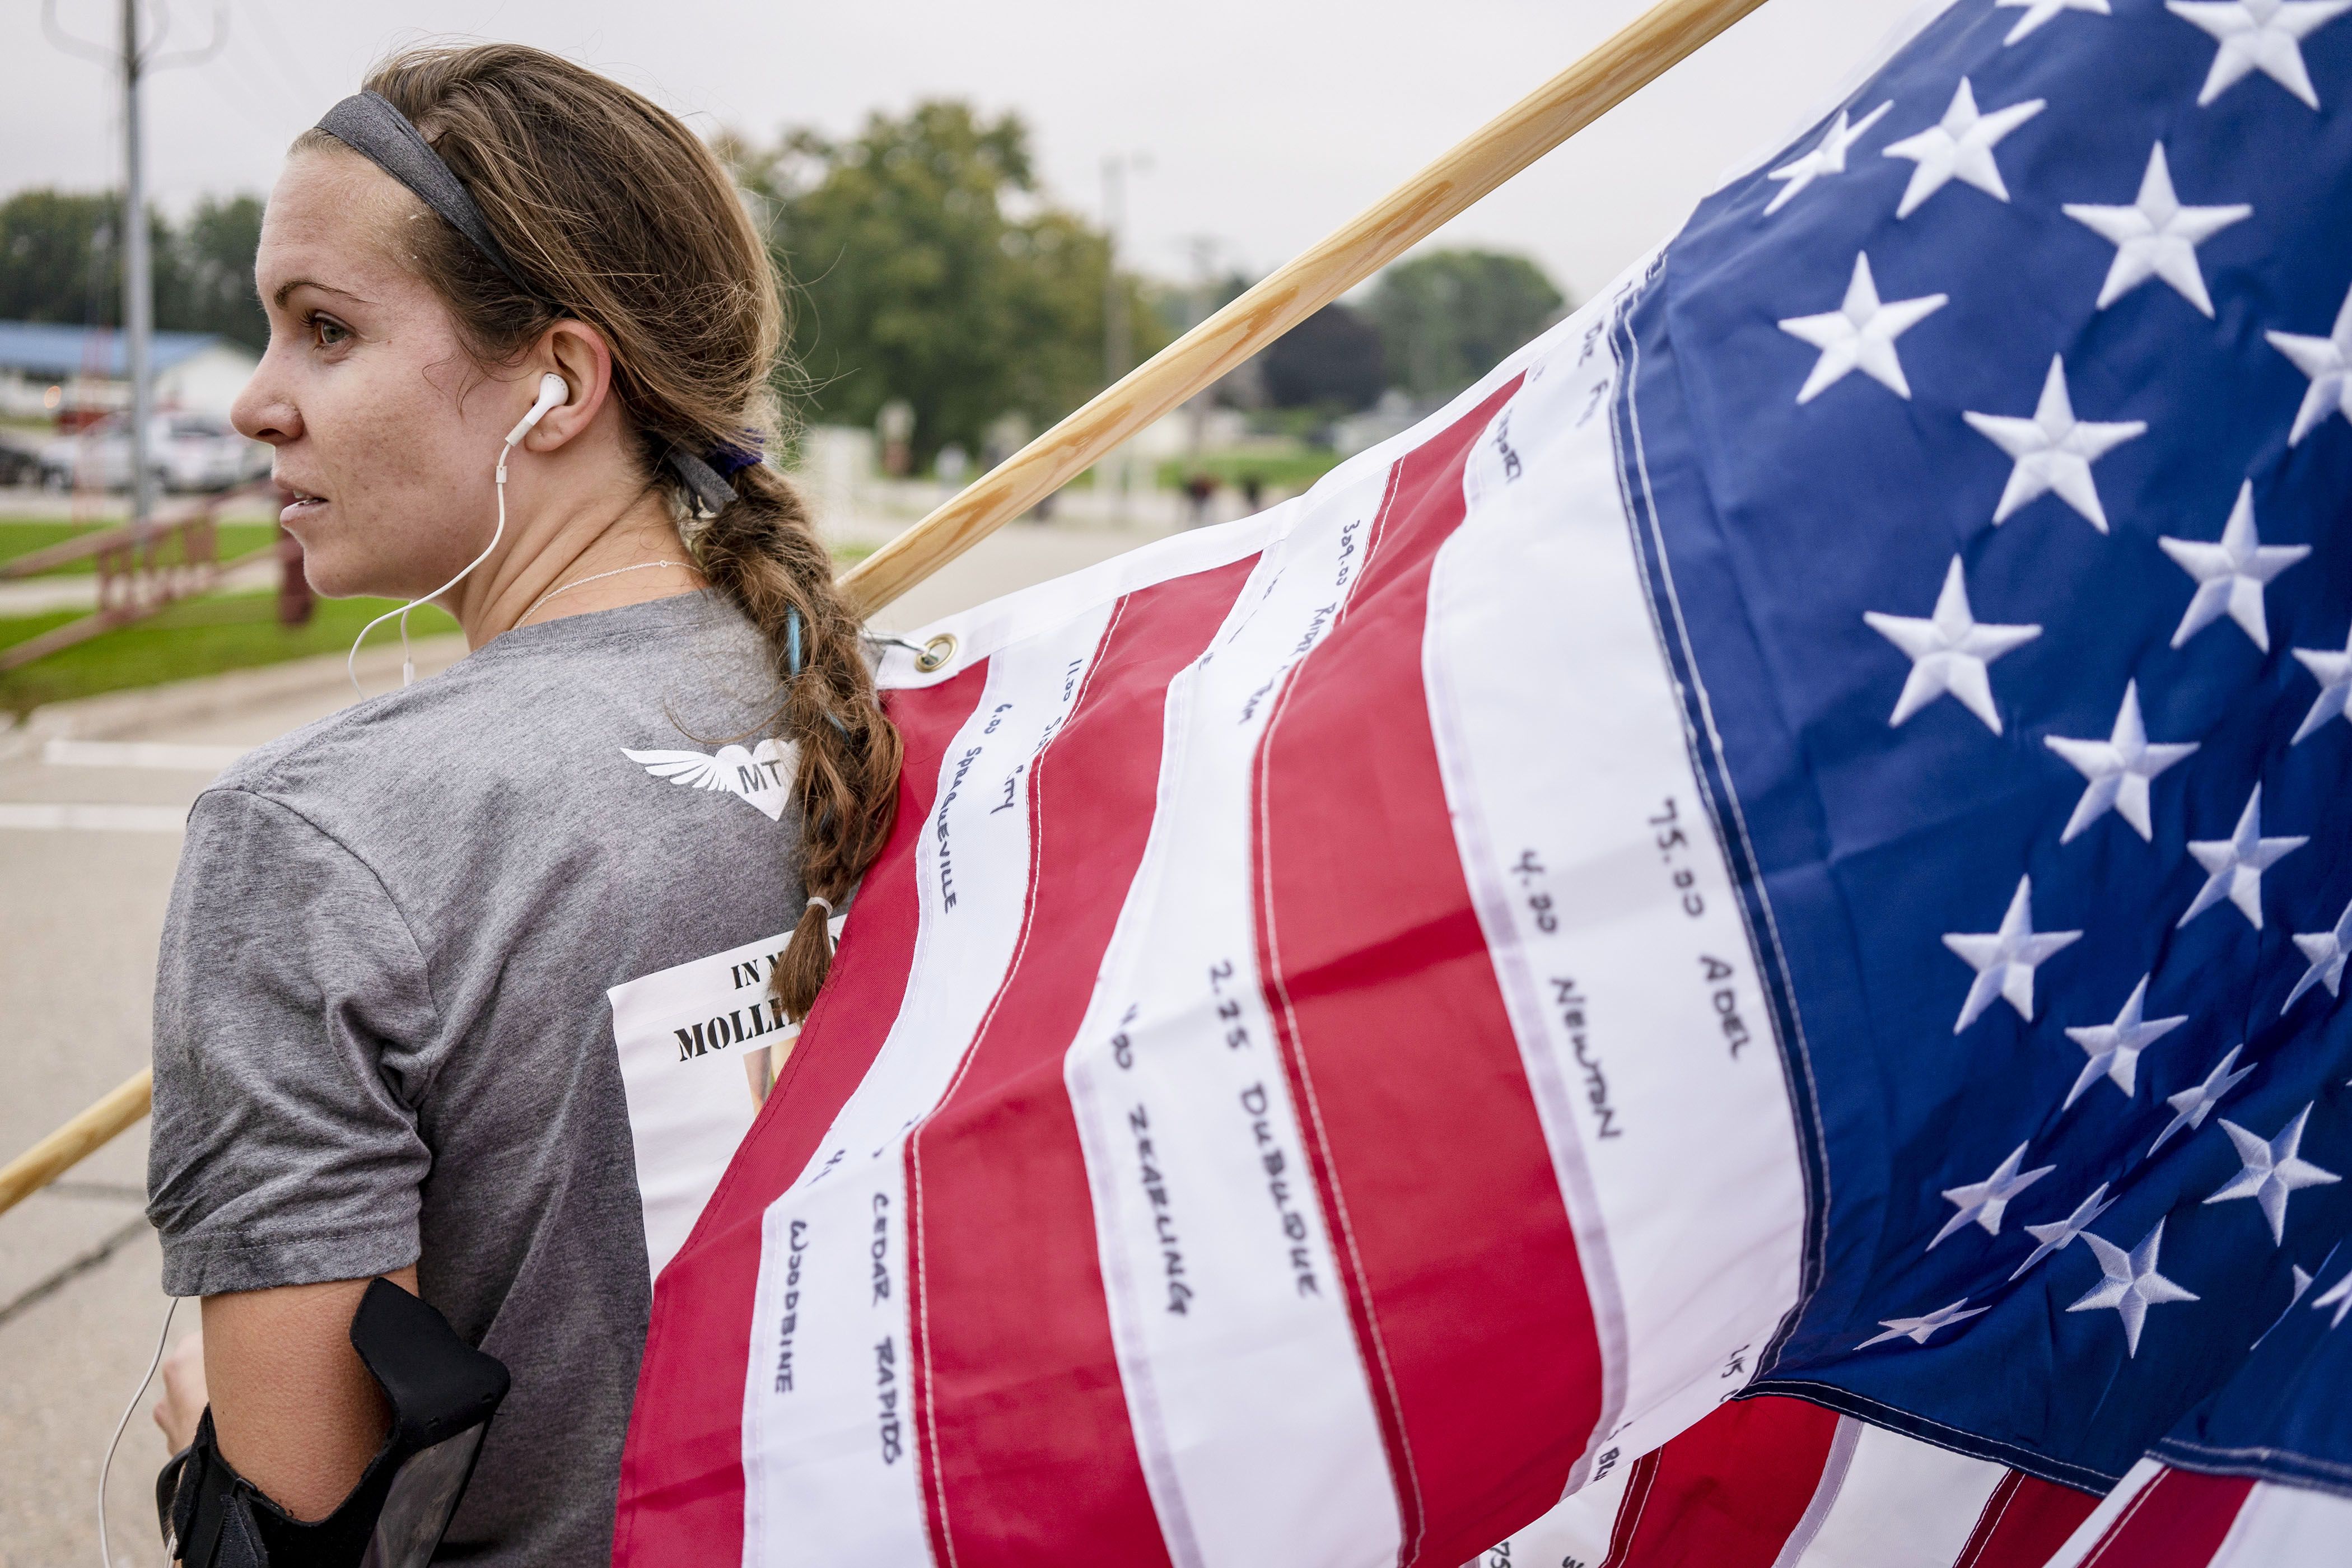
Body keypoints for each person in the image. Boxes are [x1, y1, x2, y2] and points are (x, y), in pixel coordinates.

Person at [141, 43, 902, 1563]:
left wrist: (195, 1441)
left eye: (325, 330)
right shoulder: (881, 716)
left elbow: (290, 1532)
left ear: (559, 381)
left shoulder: (311, 841)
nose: (256, 405)